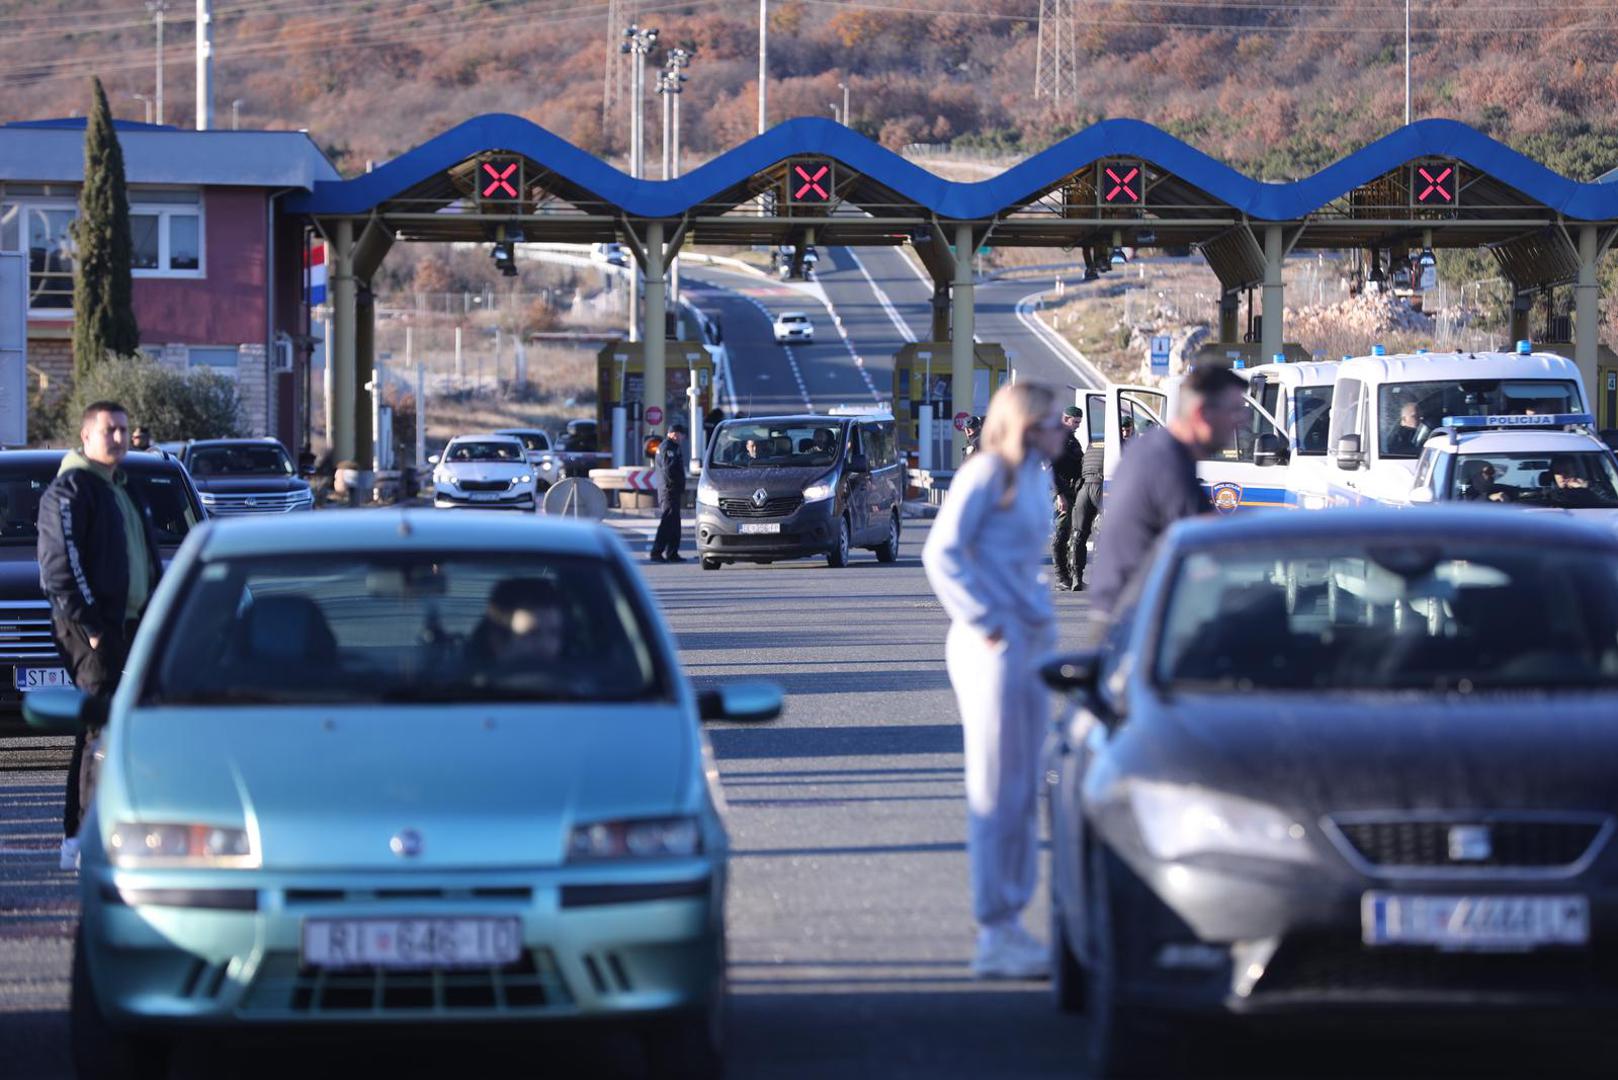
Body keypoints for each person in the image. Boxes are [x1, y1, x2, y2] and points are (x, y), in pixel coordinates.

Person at [922, 382, 1068, 981]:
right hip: (992, 644)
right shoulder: (986, 474)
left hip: (1027, 639)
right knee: (994, 787)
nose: (1065, 431)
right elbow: (942, 553)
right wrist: (985, 620)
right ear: (1028, 424)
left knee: (1026, 784)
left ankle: (1011, 923)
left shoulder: (1034, 475)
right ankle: (995, 928)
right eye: (1056, 421)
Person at [37, 401, 164, 872]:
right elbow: (60, 568)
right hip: (94, 632)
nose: (118, 438)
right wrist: (91, 627)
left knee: (118, 730)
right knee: (96, 731)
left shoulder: (122, 489)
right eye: (109, 429)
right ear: (86, 435)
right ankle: (80, 838)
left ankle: (107, 830)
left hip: (133, 628)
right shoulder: (71, 490)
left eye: (124, 430)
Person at [1088, 365, 1247, 625]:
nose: (1242, 421)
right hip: (1132, 626)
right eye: (1235, 411)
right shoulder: (1167, 465)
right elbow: (1206, 551)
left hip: (1134, 613)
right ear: (1202, 413)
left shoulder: (1157, 449)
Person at [1049, 406, 1086, 590]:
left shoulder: (1070, 438)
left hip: (1072, 490)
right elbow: (1050, 469)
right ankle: (1061, 577)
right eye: (1075, 422)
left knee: (1071, 532)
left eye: (1079, 422)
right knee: (1061, 532)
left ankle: (1071, 576)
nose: (1078, 425)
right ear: (1065, 419)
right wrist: (1059, 495)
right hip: (1062, 490)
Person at [649, 423, 688, 563]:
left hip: (673, 490)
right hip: (669, 491)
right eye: (680, 434)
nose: (682, 437)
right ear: (673, 433)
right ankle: (656, 552)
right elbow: (669, 470)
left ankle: (672, 552)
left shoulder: (673, 446)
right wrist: (673, 485)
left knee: (674, 523)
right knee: (667, 522)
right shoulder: (667, 447)